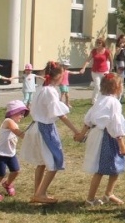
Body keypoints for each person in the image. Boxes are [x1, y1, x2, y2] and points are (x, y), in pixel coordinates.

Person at [18, 62, 81, 204]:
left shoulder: (43, 88)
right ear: (58, 76)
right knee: (55, 161)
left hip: (38, 126)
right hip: (44, 129)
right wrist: (76, 131)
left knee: (41, 162)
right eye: (62, 75)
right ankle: (40, 193)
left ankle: (38, 193)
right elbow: (59, 114)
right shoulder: (50, 91)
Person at [76, 73, 125, 206]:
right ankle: (91, 198)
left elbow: (89, 117)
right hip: (108, 137)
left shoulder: (100, 99)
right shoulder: (113, 102)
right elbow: (115, 123)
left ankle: (108, 194)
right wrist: (121, 144)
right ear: (117, 87)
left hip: (98, 135)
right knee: (103, 168)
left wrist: (82, 133)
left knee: (113, 166)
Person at [0, 99, 28, 200]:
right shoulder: (8, 121)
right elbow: (18, 133)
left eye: (23, 114)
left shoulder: (13, 122)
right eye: (20, 114)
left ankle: (7, 184)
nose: (22, 116)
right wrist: (31, 139)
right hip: (0, 154)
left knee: (16, 171)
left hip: (10, 153)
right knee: (0, 174)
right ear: (12, 113)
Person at [80, 37, 112, 104]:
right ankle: (94, 101)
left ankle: (103, 100)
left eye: (99, 43)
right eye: (97, 42)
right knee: (97, 86)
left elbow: (111, 61)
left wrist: (111, 70)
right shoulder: (94, 51)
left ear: (103, 43)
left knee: (104, 86)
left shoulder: (106, 51)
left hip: (104, 71)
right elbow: (88, 60)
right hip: (95, 71)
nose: (98, 44)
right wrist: (83, 68)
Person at [113, 34, 125, 100]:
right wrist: (120, 47)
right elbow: (117, 53)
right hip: (120, 62)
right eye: (124, 38)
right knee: (120, 78)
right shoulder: (118, 45)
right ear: (120, 39)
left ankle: (121, 93)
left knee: (122, 79)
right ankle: (119, 93)